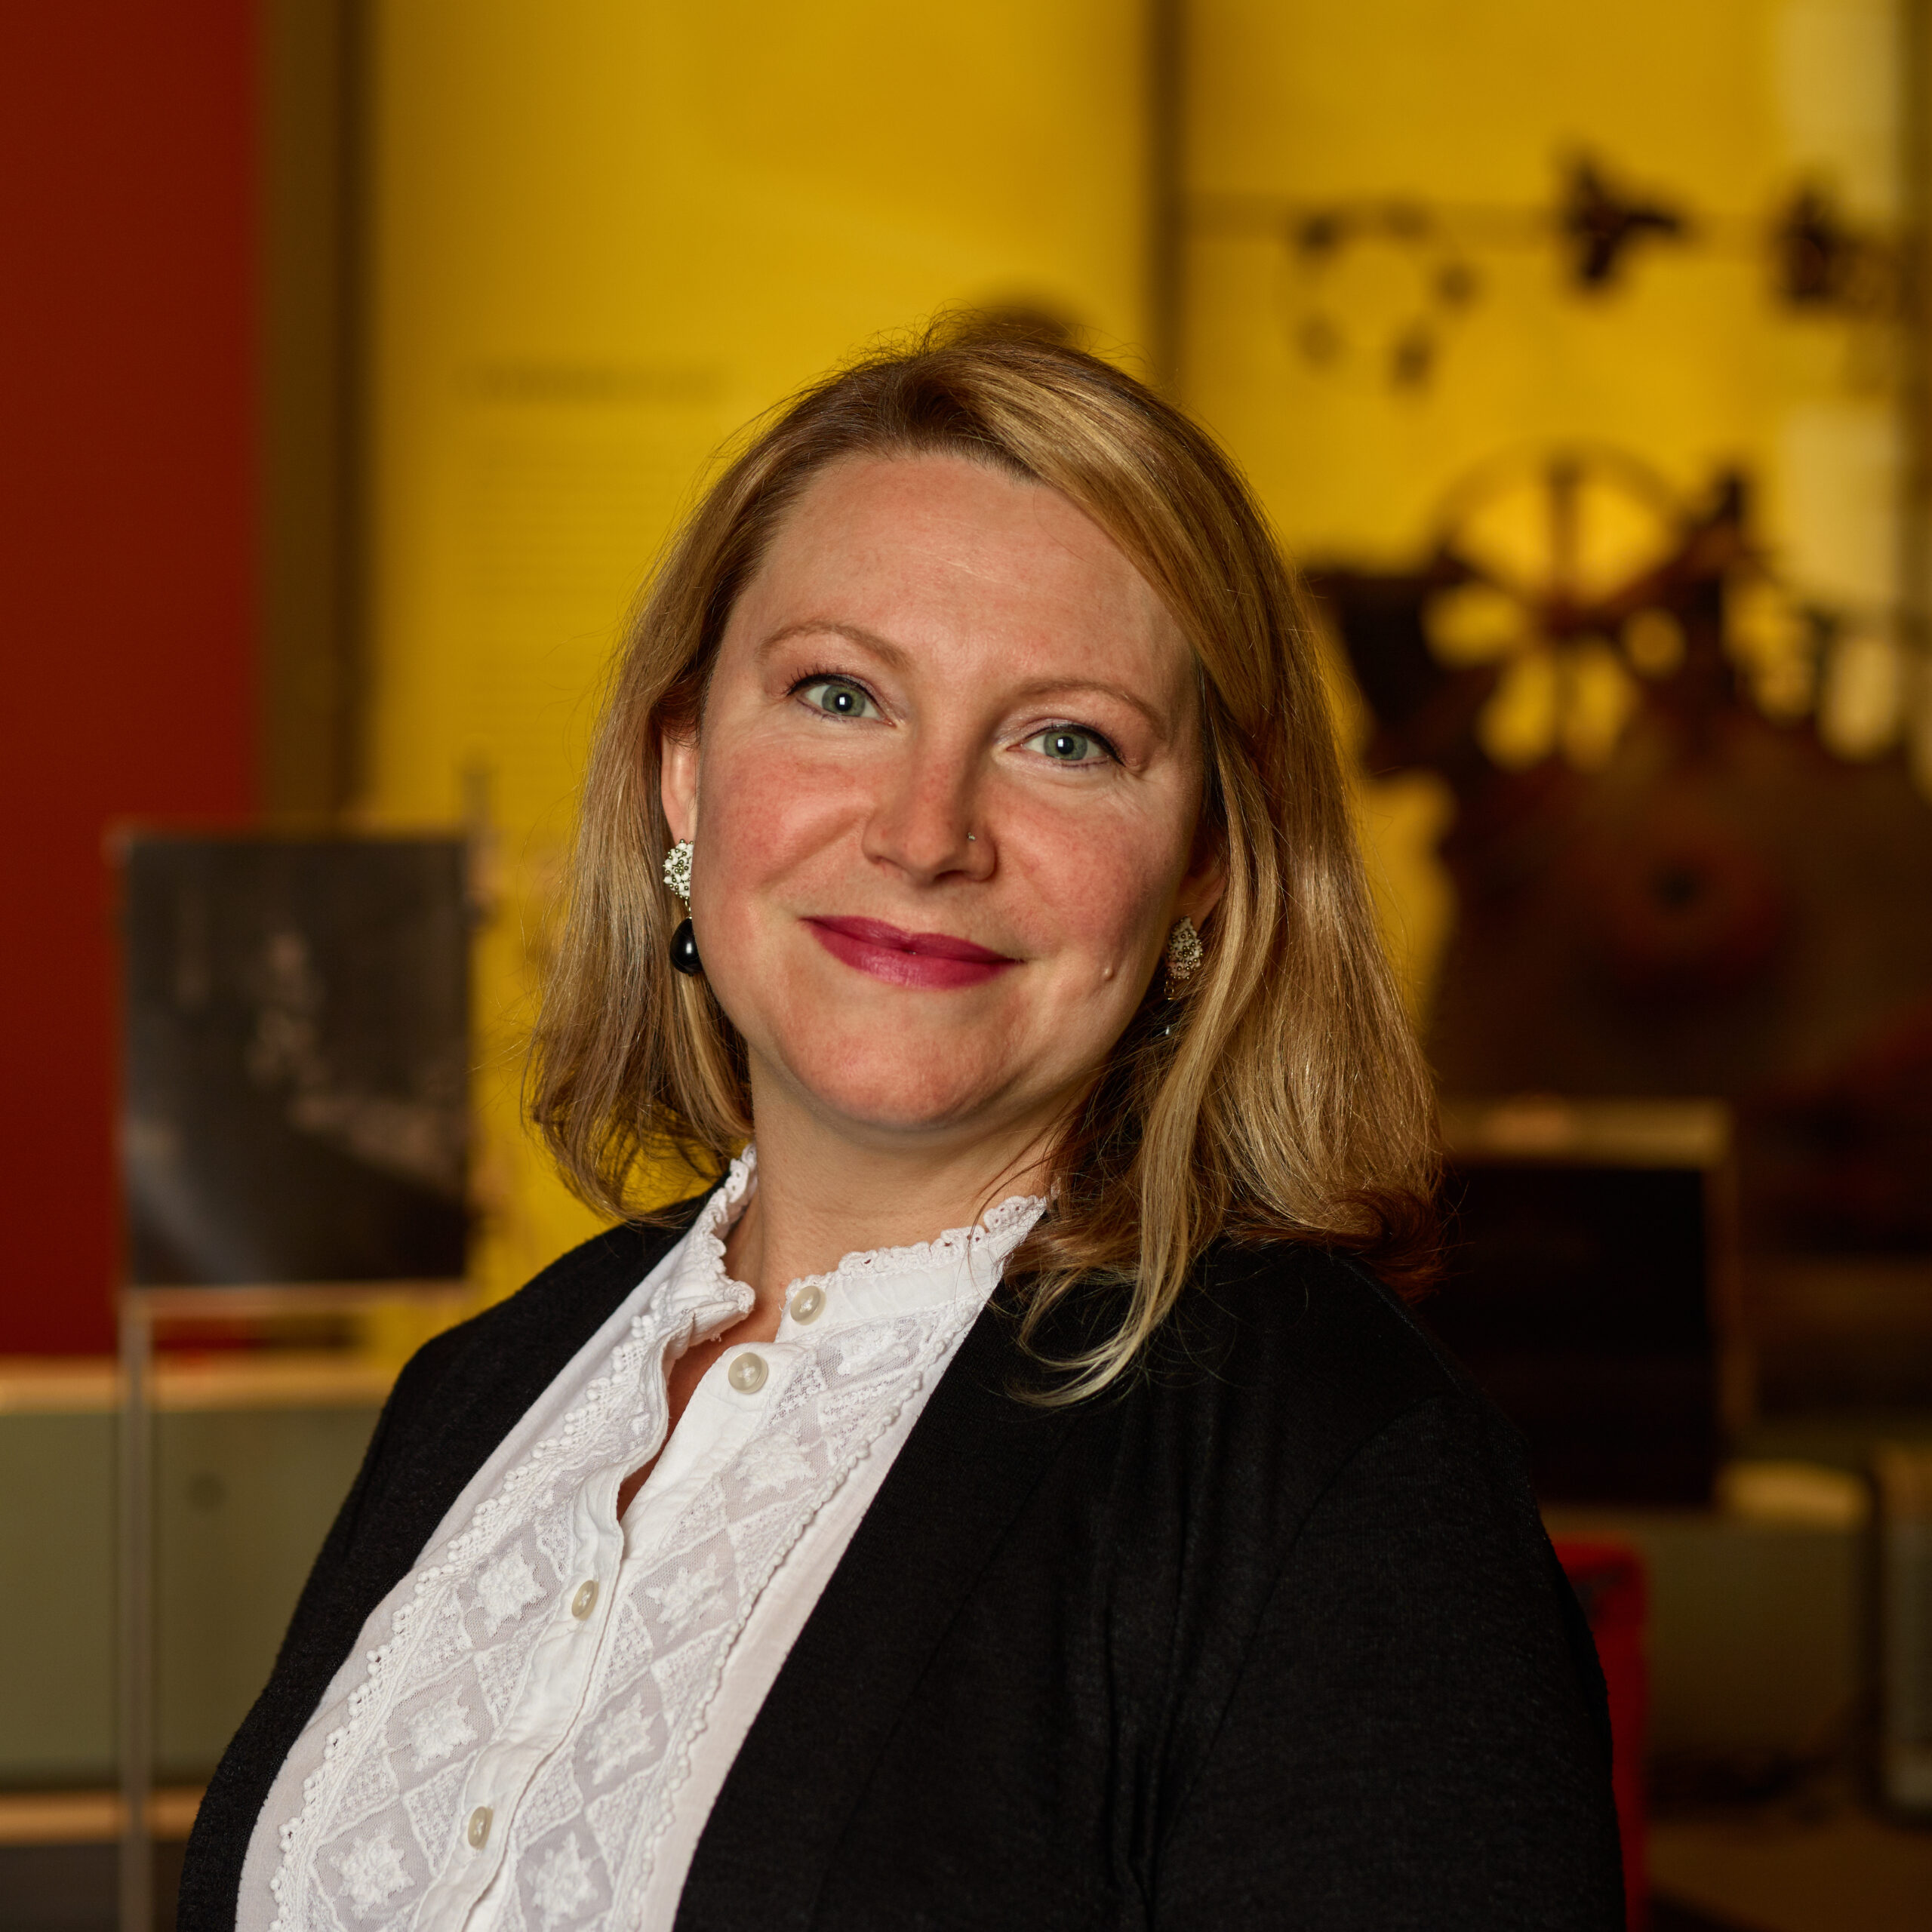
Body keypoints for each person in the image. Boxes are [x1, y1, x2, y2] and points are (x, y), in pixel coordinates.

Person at [179, 322, 1623, 1930]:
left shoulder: (1339, 1475)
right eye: (840, 693)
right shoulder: (488, 1388)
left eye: (1064, 739)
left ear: (1208, 862)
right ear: (684, 773)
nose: (928, 830)